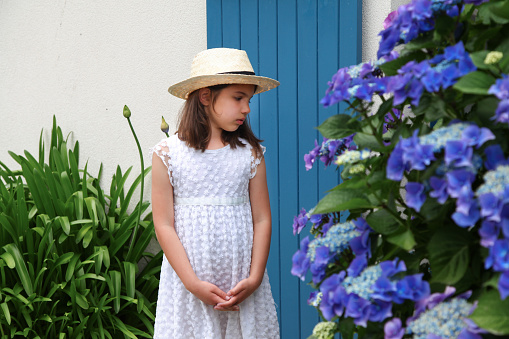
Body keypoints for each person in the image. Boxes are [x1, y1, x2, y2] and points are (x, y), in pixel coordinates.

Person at [150, 48, 280, 338]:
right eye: (238, 98)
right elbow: (164, 224)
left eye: (248, 99)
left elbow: (262, 219)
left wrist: (255, 277)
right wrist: (192, 284)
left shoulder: (250, 154)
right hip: (188, 288)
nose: (246, 108)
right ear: (206, 97)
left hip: (242, 286)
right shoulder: (168, 154)